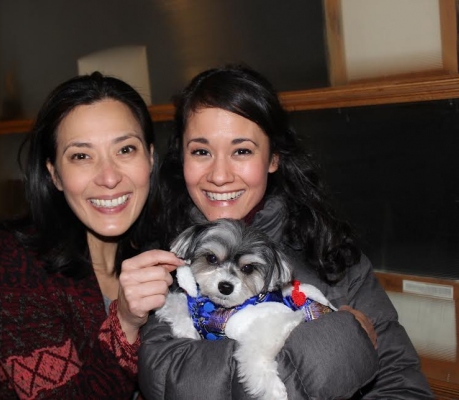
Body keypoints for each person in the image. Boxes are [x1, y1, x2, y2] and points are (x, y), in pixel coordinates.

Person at [138, 65, 434, 399]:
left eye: (242, 151)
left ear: (273, 158)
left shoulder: (331, 254)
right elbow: (179, 386)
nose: (219, 175)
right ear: (182, 159)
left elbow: (401, 386)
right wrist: (343, 342)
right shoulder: (157, 268)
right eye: (201, 151)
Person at [0, 72, 182, 399]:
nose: (109, 177)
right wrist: (125, 324)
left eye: (126, 149)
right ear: (55, 175)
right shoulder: (17, 262)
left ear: (151, 157)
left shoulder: (173, 248)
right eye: (81, 156)